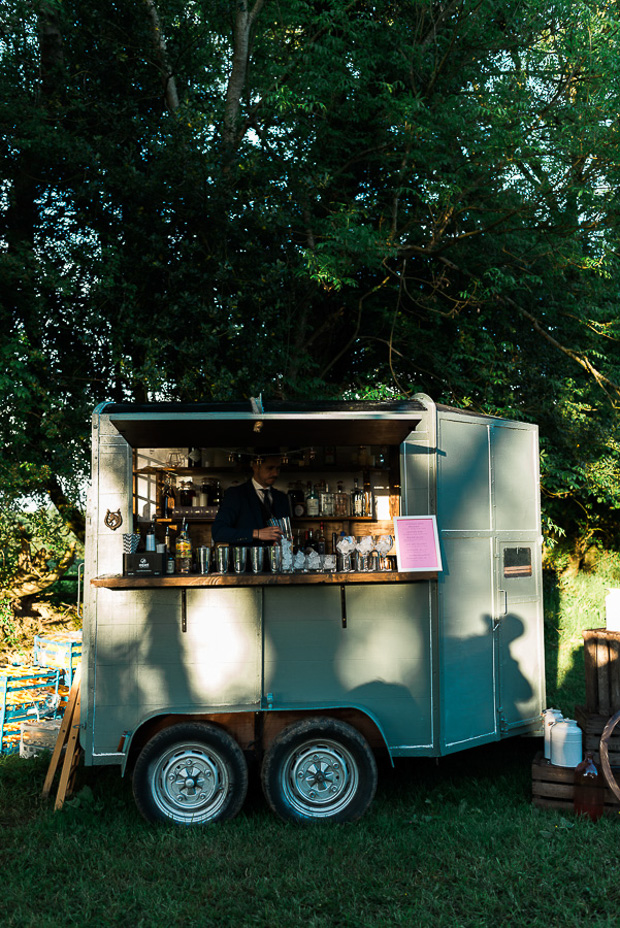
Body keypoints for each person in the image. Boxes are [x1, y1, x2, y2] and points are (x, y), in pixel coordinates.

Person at [211, 452, 290, 545]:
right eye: (270, 468)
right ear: (255, 466)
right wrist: (257, 533)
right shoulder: (236, 494)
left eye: (278, 468)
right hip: (244, 559)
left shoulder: (282, 498)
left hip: (277, 558)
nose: (275, 473)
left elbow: (285, 534)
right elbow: (218, 532)